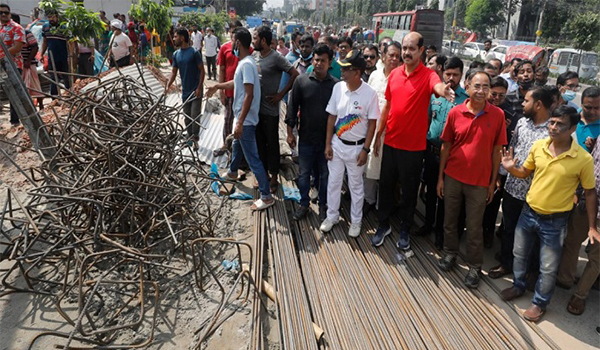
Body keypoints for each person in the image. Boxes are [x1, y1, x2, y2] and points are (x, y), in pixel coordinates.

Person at [500, 105, 596, 322]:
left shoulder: (583, 158)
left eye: (559, 124)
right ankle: (518, 286)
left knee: (548, 266)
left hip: (555, 220)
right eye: (552, 122)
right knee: (519, 254)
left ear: (572, 128)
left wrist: (591, 226)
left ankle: (539, 303)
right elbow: (525, 172)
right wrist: (510, 168)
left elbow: (589, 192)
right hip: (529, 212)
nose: (553, 127)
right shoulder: (539, 146)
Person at [370, 32, 455, 248]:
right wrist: (379, 134)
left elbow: (437, 87)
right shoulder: (396, 74)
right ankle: (383, 225)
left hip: (414, 149)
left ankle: (405, 230)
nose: (406, 53)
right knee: (386, 188)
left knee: (409, 193)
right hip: (390, 143)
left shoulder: (429, 76)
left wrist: (444, 90)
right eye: (404, 48)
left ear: (421, 51)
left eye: (411, 49)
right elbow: (387, 106)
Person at [436, 71, 507, 288]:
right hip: (453, 177)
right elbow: (446, 146)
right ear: (467, 87)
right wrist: (440, 178)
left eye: (486, 87)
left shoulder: (497, 115)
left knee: (474, 227)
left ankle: (475, 266)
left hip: (479, 182)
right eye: (477, 86)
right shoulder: (455, 112)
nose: (481, 91)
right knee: (450, 220)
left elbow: (497, 151)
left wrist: (492, 181)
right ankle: (450, 253)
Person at [488, 86, 553, 280]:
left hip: (535, 194)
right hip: (512, 188)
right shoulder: (522, 123)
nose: (522, 104)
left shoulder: (552, 131)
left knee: (531, 236)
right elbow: (511, 151)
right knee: (509, 229)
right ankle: (506, 264)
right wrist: (501, 175)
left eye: (526, 101)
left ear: (538, 104)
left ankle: (529, 272)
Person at [206, 27, 275, 211]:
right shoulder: (246, 62)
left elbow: (249, 95)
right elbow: (237, 85)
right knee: (237, 146)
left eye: (233, 41)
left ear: (238, 43)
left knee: (253, 159)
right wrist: (218, 86)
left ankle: (267, 196)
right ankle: (233, 171)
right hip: (243, 118)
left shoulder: (246, 64)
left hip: (247, 120)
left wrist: (241, 122)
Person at [319, 50, 380, 237]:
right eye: (342, 68)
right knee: (334, 183)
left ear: (357, 72)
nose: (342, 72)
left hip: (356, 149)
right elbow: (331, 117)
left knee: (355, 186)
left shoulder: (370, 94)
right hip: (337, 144)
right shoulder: (338, 88)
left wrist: (365, 150)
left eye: (346, 69)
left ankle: (356, 221)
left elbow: (372, 124)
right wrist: (328, 144)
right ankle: (332, 216)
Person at [419, 57, 468, 248]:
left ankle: (441, 234)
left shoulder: (466, 99)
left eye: (455, 74)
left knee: (446, 198)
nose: (451, 78)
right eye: (448, 74)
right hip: (432, 152)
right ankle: (427, 224)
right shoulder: (435, 95)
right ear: (442, 73)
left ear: (461, 75)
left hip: (452, 157)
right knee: (431, 193)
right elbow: (427, 120)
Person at [286, 44, 338, 221]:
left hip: (327, 141)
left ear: (330, 62)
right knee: (303, 174)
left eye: (323, 60)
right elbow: (292, 108)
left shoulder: (336, 86)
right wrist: (290, 133)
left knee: (324, 175)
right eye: (316, 60)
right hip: (306, 138)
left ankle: (323, 205)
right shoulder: (301, 81)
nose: (318, 63)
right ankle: (304, 204)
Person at [556, 87, 600, 292]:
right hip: (566, 189)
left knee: (586, 246)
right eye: (588, 107)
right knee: (568, 239)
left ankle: (576, 287)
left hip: (587, 193)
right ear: (581, 104)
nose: (592, 111)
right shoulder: (570, 121)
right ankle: (563, 277)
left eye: (597, 108)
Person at [252, 25, 299, 193]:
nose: (254, 40)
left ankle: (273, 177)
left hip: (271, 112)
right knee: (259, 144)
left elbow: (294, 74)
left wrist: (280, 94)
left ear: (264, 41)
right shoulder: (254, 55)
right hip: (256, 110)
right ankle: (262, 174)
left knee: (272, 144)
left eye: (256, 38)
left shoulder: (276, 58)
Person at [363, 41, 402, 215]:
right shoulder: (375, 76)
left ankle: (382, 205)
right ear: (383, 56)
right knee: (369, 167)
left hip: (392, 132)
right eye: (391, 55)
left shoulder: (402, 78)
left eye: (397, 56)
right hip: (372, 128)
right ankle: (368, 200)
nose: (394, 59)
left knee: (387, 172)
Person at [563, 135, 600, 315]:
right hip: (587, 200)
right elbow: (591, 165)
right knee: (571, 242)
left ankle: (580, 295)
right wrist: (578, 191)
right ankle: (565, 279)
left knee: (597, 257)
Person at [165, 28, 205, 150]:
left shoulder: (194, 53)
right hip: (185, 91)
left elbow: (202, 71)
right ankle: (189, 138)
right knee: (187, 116)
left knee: (194, 115)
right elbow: (173, 72)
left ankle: (195, 138)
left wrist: (199, 88)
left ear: (182, 38)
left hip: (195, 90)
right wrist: (167, 86)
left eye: (176, 36)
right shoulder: (176, 54)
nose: (174, 39)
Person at [214, 20, 246, 157]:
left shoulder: (246, 49)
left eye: (237, 30)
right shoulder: (224, 48)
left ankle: (240, 149)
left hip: (243, 93)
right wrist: (221, 92)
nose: (234, 33)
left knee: (241, 121)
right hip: (229, 91)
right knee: (228, 119)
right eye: (232, 31)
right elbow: (221, 69)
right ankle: (225, 145)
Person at [0, 5, 25, 126]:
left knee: (14, 94)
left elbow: (17, 47)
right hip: (1, 65)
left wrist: (1, 55)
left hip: (13, 65)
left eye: (6, 12)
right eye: (1, 13)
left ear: (10, 14)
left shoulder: (16, 28)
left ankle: (15, 121)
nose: (3, 15)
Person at [41, 9, 70, 97]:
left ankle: (69, 94)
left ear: (57, 17)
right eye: (49, 17)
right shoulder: (45, 27)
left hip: (63, 56)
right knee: (53, 78)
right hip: (52, 57)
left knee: (66, 77)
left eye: (53, 17)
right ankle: (54, 96)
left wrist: (71, 55)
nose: (51, 19)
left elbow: (70, 42)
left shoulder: (64, 27)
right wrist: (42, 54)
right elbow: (45, 41)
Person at [18, 14, 43, 110]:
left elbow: (35, 47)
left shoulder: (26, 33)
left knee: (35, 86)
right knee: (22, 87)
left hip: (28, 64)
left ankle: (41, 105)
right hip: (18, 64)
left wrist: (28, 60)